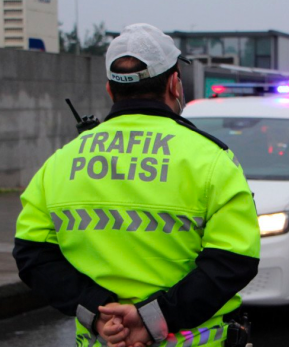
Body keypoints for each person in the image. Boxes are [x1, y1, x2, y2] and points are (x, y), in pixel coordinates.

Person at [13, 23, 261, 347]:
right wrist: (155, 318)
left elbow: (33, 255)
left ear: (110, 89)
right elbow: (235, 259)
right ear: (175, 83)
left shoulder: (60, 163)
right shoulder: (212, 160)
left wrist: (97, 311)